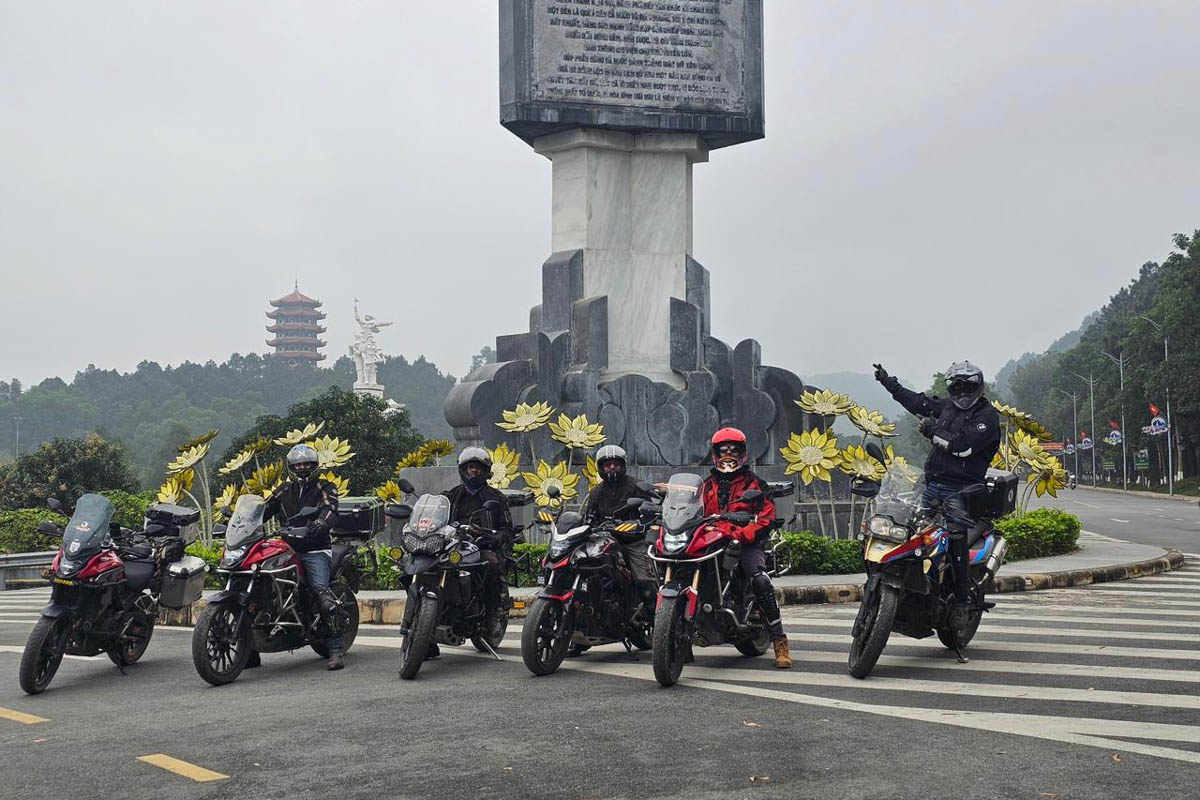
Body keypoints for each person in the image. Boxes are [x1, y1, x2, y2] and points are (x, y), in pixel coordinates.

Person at [874, 361, 1002, 634]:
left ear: (978, 386)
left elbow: (962, 447)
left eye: (967, 385)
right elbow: (917, 403)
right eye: (956, 385)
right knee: (915, 534)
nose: (962, 390)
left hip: (962, 491)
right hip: (930, 485)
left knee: (954, 539)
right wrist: (889, 383)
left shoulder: (987, 418)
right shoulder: (947, 407)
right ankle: (918, 590)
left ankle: (962, 604)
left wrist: (931, 430)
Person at [700, 428, 792, 669]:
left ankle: (779, 641)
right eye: (723, 450)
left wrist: (742, 534)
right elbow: (694, 511)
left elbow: (766, 519)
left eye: (733, 449)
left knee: (760, 580)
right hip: (712, 540)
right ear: (715, 453)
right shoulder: (707, 485)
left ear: (742, 453)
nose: (728, 454)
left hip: (745, 542)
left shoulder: (756, 484)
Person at [262, 443, 347, 670]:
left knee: (321, 593)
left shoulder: (324, 487)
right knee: (261, 584)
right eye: (297, 464)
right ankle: (249, 651)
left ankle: (336, 648)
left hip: (314, 549)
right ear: (292, 467)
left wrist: (322, 522)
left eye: (305, 463)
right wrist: (241, 519)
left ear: (313, 465)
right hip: (286, 548)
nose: (301, 467)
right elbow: (264, 509)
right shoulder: (284, 490)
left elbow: (332, 509)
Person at [581, 444, 657, 618]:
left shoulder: (636, 485)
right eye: (608, 464)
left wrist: (638, 523)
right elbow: (590, 517)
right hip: (604, 539)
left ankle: (657, 619)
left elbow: (651, 510)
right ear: (601, 467)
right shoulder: (596, 492)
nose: (612, 467)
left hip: (632, 540)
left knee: (643, 580)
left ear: (623, 464)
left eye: (615, 463)